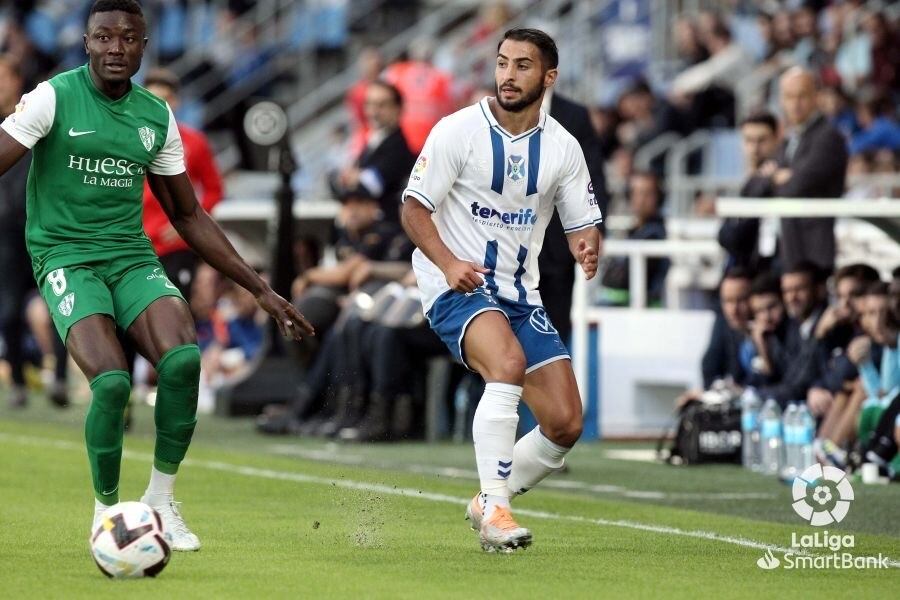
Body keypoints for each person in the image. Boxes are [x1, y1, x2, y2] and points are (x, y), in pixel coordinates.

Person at [0, 0, 312, 551]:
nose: (115, 48)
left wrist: (261, 288)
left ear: (145, 46)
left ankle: (160, 500)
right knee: (114, 382)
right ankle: (106, 514)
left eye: (127, 39)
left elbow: (188, 215)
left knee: (184, 360)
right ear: (86, 42)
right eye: (103, 37)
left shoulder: (155, 117)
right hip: (66, 256)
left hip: (130, 255)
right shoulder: (53, 97)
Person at [400, 28, 601, 552]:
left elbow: (581, 220)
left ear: (548, 77)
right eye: (502, 63)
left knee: (564, 422)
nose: (508, 75)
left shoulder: (563, 147)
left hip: (520, 293)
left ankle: (489, 498)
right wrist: (447, 263)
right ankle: (497, 512)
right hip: (454, 285)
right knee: (506, 364)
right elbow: (413, 208)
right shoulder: (458, 130)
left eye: (523, 66)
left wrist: (586, 245)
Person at [142, 67, 223, 301]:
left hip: (174, 247)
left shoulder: (194, 142)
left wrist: (188, 222)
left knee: (176, 315)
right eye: (151, 99)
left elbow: (214, 190)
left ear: (175, 102)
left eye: (165, 99)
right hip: (136, 247)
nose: (158, 105)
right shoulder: (127, 141)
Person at [538, 89, 608, 344]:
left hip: (559, 242)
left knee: (555, 330)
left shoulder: (575, 115)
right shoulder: (501, 110)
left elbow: (594, 174)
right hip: (511, 245)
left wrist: (597, 227)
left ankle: (553, 382)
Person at [763, 67, 849, 272]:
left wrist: (775, 179)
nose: (795, 104)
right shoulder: (788, 139)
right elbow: (760, 183)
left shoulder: (828, 137)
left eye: (802, 96)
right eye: (789, 97)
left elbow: (797, 186)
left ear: (816, 97)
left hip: (812, 251)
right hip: (787, 245)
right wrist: (776, 178)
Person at [332, 80, 415, 224]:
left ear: (398, 108)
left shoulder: (398, 148)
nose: (373, 112)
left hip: (388, 231)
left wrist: (353, 178)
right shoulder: (372, 141)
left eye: (381, 105)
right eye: (369, 104)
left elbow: (367, 187)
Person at [717, 112, 780, 273]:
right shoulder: (743, 184)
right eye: (749, 140)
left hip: (766, 271)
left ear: (776, 139)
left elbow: (739, 236)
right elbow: (726, 236)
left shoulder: (778, 181)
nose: (755, 148)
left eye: (761, 140)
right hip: (741, 268)